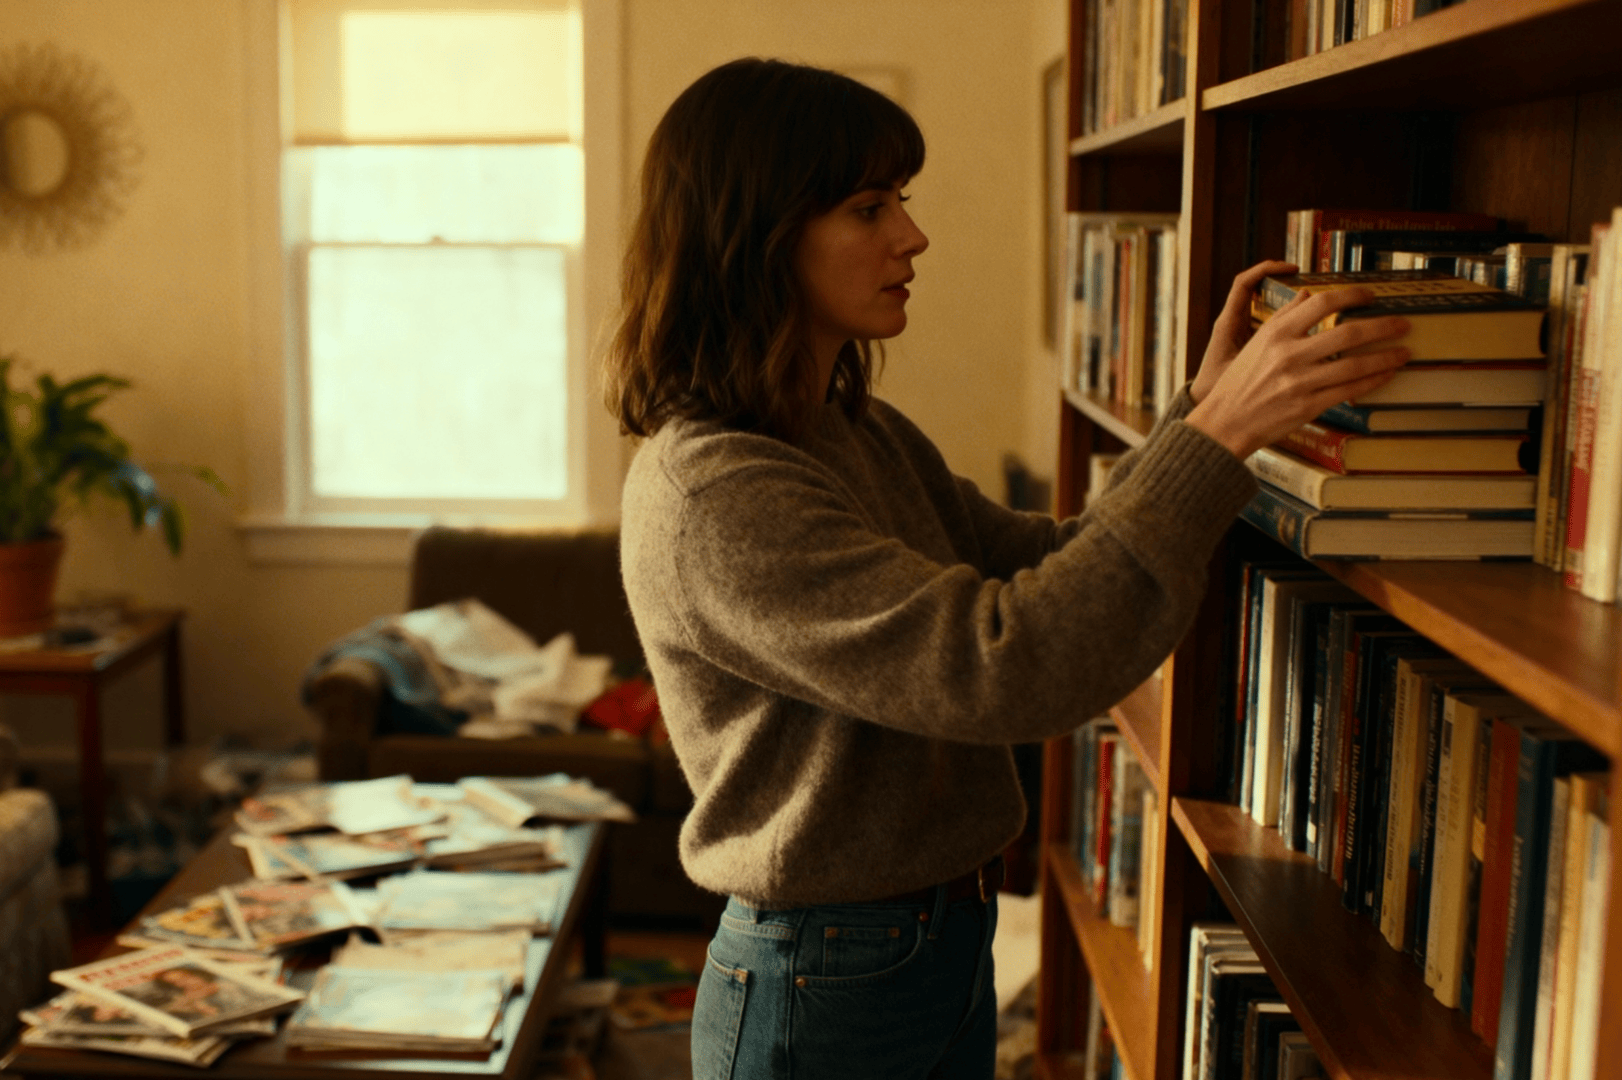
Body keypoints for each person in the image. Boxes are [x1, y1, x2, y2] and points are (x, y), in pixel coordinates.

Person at [602, 57, 1409, 1080]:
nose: (912, 235)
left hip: (921, 945)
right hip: (829, 975)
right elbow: (1006, 665)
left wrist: (1199, 419)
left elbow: (1047, 567)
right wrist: (1214, 438)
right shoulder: (717, 490)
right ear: (755, 238)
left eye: (903, 200)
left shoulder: (850, 430)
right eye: (868, 207)